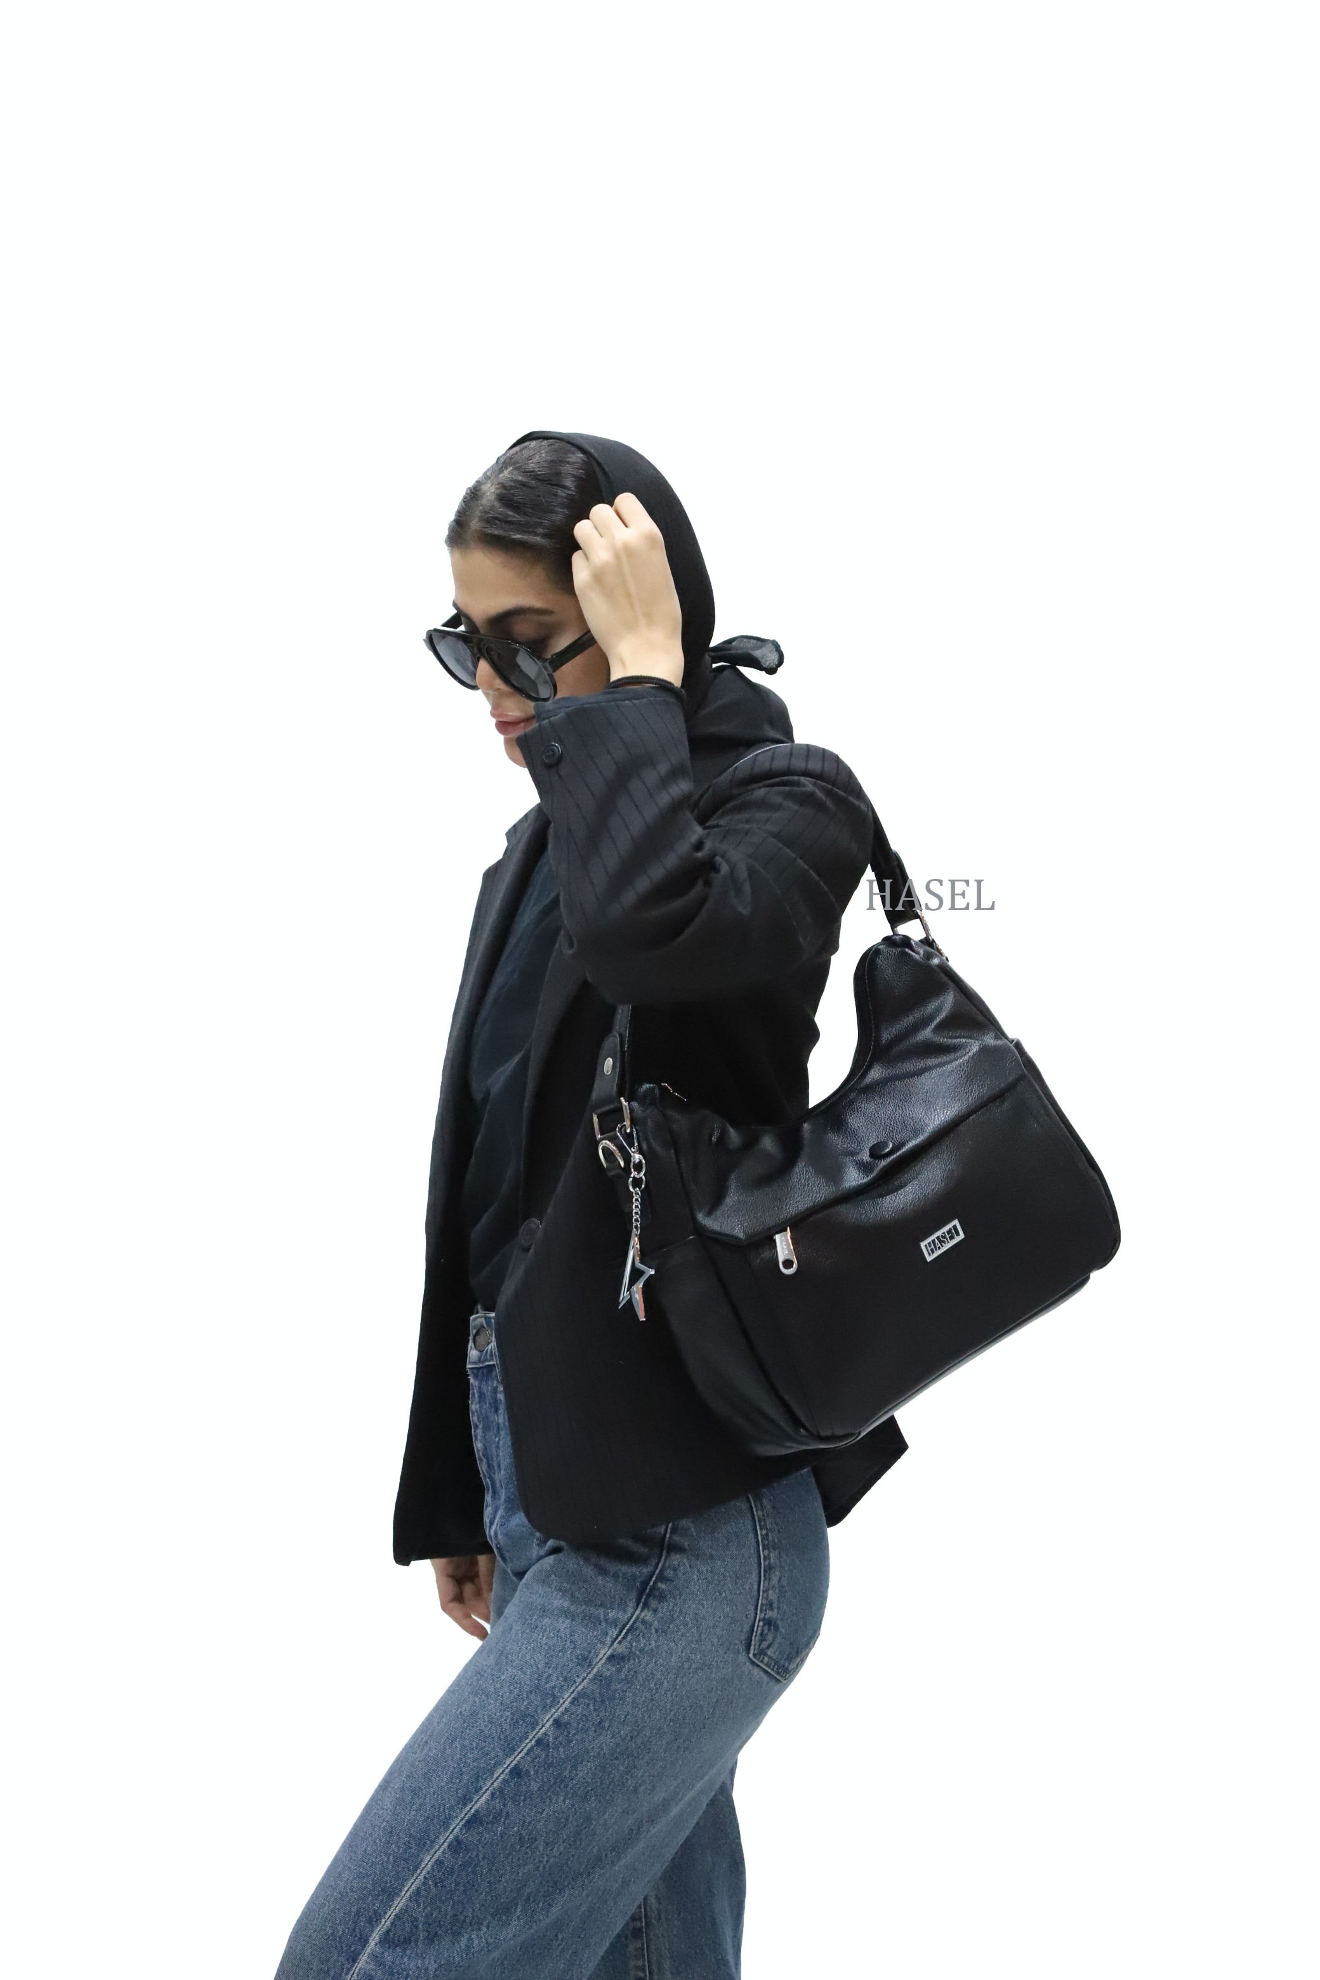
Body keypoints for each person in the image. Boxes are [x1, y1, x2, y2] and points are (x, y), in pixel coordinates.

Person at [276, 431, 908, 1979]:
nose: (496, 692)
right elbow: (484, 1194)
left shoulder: (788, 806)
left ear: (644, 613)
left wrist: (637, 688)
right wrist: (462, 1493)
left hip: (683, 1540)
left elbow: (657, 943)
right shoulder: (534, 851)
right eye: (466, 647)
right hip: (552, 1504)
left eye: (530, 642)